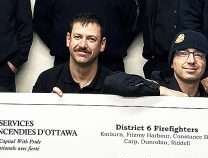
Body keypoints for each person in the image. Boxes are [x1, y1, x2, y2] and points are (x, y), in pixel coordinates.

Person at [32, 13, 184, 97]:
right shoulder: (47, 80)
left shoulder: (114, 83)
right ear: (68, 39)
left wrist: (167, 92)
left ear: (102, 44)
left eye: (91, 39)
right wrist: (49, 108)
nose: (83, 45)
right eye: (78, 37)